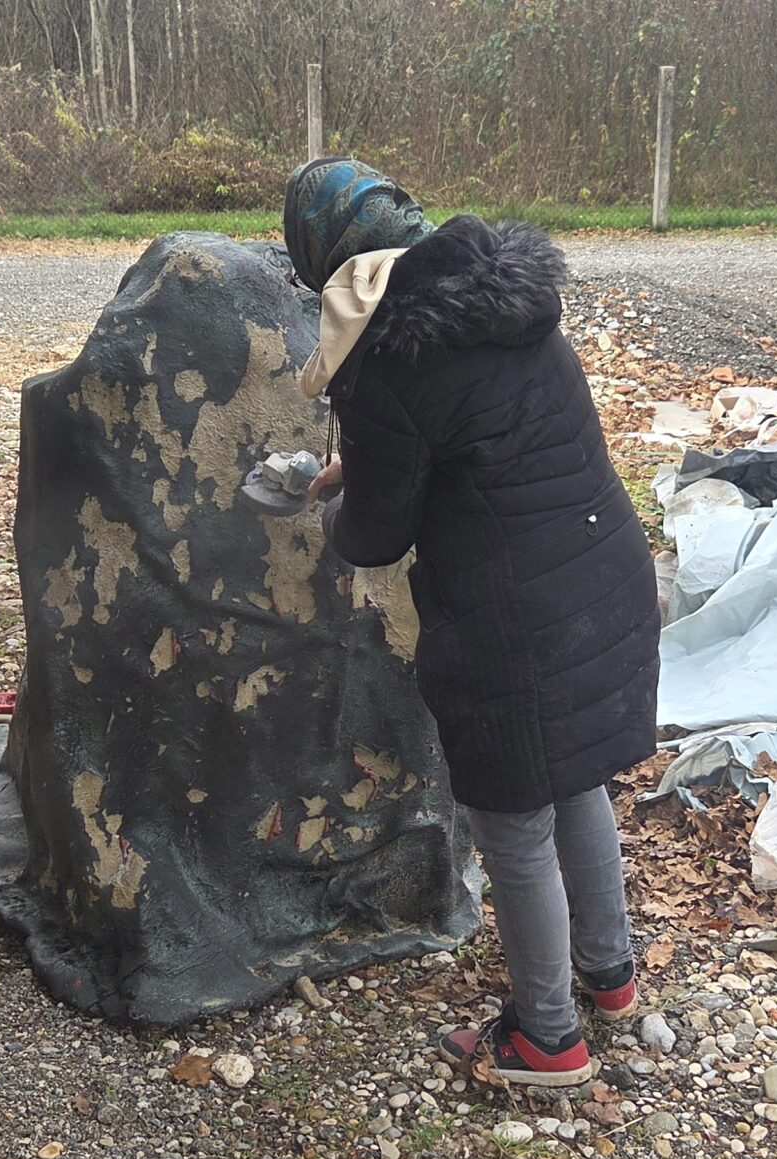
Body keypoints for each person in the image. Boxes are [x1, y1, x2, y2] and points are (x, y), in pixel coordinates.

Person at [283, 157, 660, 1087]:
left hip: (515, 616)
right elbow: (480, 438)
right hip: (602, 573)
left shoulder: (388, 359)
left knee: (511, 821)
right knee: (577, 785)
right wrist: (364, 465)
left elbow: (374, 538)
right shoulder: (502, 301)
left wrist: (321, 504)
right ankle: (609, 978)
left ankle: (547, 1037)